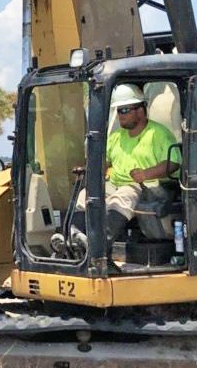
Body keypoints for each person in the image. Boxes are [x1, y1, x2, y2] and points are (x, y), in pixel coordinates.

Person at [52, 84, 178, 255]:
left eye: (124, 110)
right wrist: (89, 170)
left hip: (151, 186)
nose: (120, 115)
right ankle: (71, 235)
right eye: (118, 111)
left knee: (123, 196)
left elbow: (173, 163)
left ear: (140, 110)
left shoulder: (158, 134)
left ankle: (100, 243)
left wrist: (145, 174)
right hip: (117, 184)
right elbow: (105, 163)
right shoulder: (116, 137)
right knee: (86, 194)